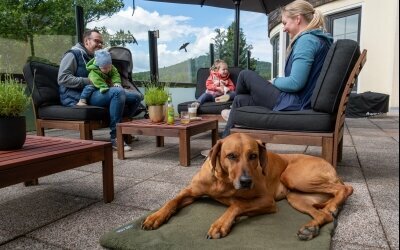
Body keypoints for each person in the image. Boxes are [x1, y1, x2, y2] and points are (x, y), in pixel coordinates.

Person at [222, 0, 333, 138]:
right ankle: (224, 141)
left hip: (294, 102)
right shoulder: (318, 40)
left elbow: (295, 83)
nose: (284, 29)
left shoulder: (307, 41)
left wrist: (273, 81)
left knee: (245, 75)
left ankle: (230, 104)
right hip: (299, 100)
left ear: (298, 19)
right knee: (240, 100)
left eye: (285, 23)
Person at [58, 29, 142, 151]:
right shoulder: (72, 54)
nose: (100, 45)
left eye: (101, 42)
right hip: (79, 96)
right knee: (117, 93)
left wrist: (112, 82)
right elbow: (62, 78)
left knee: (136, 97)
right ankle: (115, 137)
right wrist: (89, 81)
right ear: (87, 41)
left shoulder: (97, 58)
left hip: (96, 92)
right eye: (97, 41)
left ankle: (124, 130)